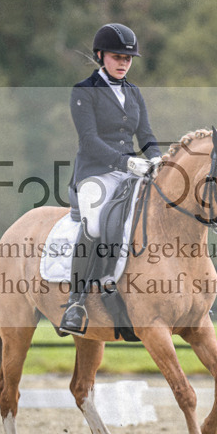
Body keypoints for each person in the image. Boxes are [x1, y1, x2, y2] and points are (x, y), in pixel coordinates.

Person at [59, 23, 162, 336]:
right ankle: (75, 303)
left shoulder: (133, 92)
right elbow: (89, 139)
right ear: (101, 55)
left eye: (128, 58)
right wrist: (127, 162)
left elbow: (145, 135)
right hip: (93, 174)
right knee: (94, 225)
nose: (123, 63)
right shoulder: (84, 91)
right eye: (117, 57)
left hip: (128, 172)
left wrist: (157, 157)